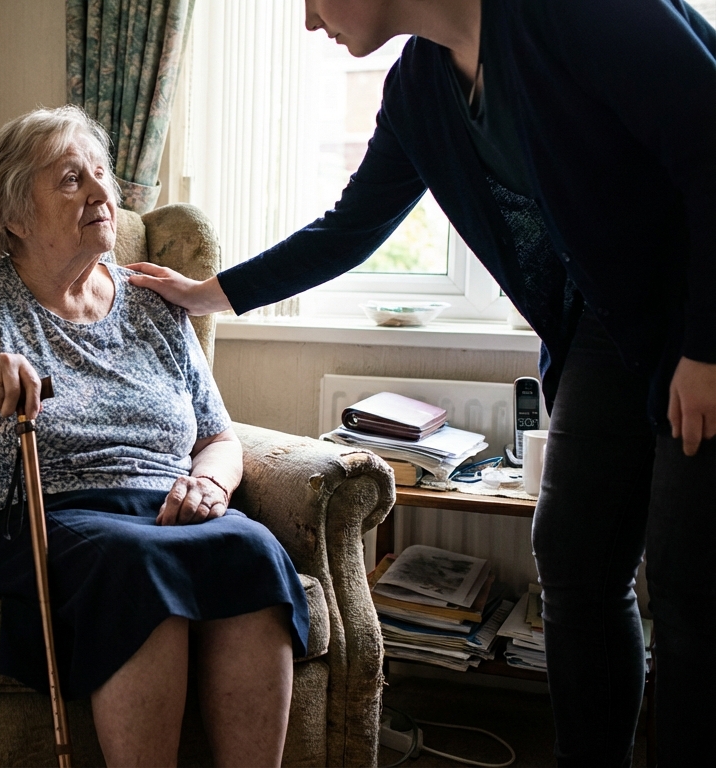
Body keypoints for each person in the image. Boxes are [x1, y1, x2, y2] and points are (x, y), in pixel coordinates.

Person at [129, 0, 716, 764]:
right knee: (576, 563)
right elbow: (348, 228)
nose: (309, 21)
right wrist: (209, 293)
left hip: (704, 309)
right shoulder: (420, 90)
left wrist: (706, 349)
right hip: (610, 327)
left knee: (691, 591)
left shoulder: (581, 14)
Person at [0, 105, 309, 767]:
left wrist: (209, 483)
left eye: (101, 174)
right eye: (71, 180)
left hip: (161, 510)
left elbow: (220, 436)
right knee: (135, 563)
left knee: (252, 549)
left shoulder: (156, 302)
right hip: (25, 520)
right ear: (15, 216)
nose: (103, 193)